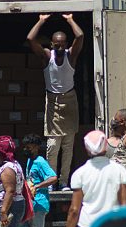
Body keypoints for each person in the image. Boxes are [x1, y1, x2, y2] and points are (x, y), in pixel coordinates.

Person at [27, 13, 85, 190]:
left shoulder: (71, 55)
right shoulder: (46, 56)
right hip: (52, 101)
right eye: (56, 45)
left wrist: (70, 20)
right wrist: (41, 20)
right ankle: (51, 181)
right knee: (53, 146)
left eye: (63, 44)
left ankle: (64, 181)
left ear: (66, 45)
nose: (60, 48)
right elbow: (30, 38)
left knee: (68, 146)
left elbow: (80, 35)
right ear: (51, 45)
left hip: (70, 100)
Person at [19, 134, 58, 227]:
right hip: (31, 204)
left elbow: (53, 177)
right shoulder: (30, 160)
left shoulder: (41, 161)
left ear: (36, 147)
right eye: (25, 147)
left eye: (29, 147)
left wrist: (37, 186)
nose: (26, 149)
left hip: (39, 203)